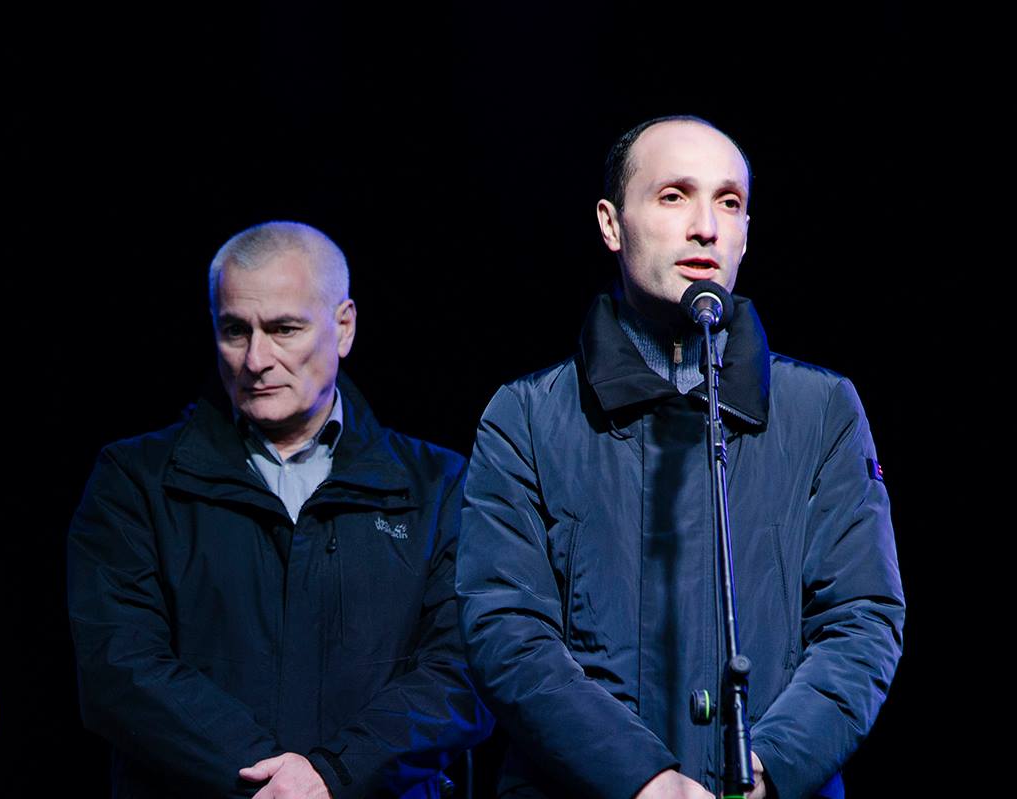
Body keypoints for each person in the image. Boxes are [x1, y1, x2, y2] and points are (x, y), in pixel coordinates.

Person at [456, 116, 904, 799]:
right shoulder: (526, 416)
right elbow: (506, 631)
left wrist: (767, 766)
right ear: (612, 224)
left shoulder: (822, 410)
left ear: (746, 232)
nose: (706, 227)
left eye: (728, 202)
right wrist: (643, 777)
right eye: (674, 196)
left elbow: (861, 619)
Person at [67, 221, 490, 798]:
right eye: (235, 331)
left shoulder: (439, 486)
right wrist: (275, 781)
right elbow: (119, 667)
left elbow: (464, 671)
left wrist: (335, 774)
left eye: (284, 329)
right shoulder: (135, 481)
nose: (256, 358)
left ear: (344, 327)